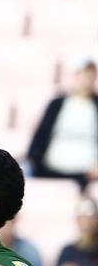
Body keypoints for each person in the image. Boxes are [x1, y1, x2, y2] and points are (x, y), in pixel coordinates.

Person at [28, 60, 98, 190]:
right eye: (82, 75)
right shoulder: (56, 104)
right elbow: (41, 135)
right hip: (49, 170)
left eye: (89, 76)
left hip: (86, 175)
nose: (85, 81)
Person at [56, 197, 98, 266]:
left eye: (91, 217)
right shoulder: (67, 252)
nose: (87, 222)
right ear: (77, 219)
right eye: (83, 217)